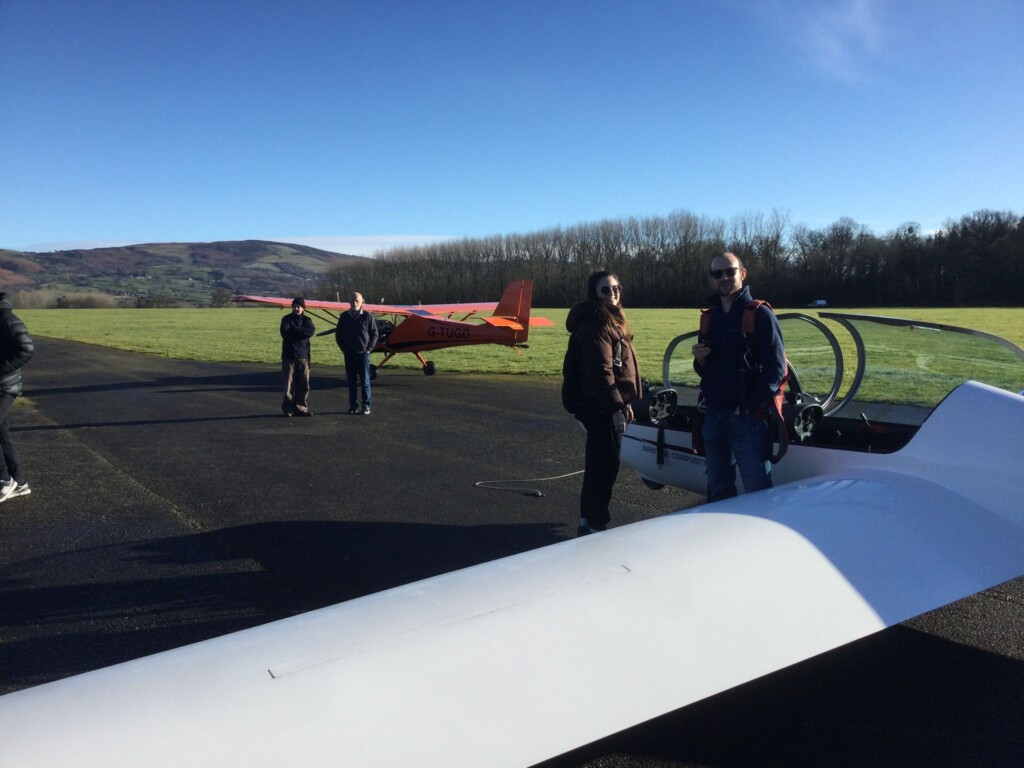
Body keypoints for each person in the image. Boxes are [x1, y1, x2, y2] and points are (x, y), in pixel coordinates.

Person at [691, 252, 787, 501]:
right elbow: (705, 370)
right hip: (713, 415)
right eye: (717, 273)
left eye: (729, 271)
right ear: (711, 279)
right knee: (717, 490)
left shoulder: (760, 314)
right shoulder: (709, 318)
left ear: (742, 274)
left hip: (747, 420)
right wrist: (700, 360)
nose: (723, 277)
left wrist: (748, 405)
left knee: (758, 491)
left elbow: (777, 370)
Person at [565, 270, 641, 535]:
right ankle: (596, 523)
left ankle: (589, 519)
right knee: (604, 467)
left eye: (616, 288)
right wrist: (616, 408)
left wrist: (625, 401)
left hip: (601, 404)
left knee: (600, 464)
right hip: (598, 407)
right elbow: (602, 374)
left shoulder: (609, 321)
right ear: (594, 294)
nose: (613, 294)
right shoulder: (597, 326)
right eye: (605, 290)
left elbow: (617, 370)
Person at [0, 292, 35, 503]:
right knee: (2, 434)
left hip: (5, 386)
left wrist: (2, 369)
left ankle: (5, 480)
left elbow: (26, 348)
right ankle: (20, 482)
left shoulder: (6, 318)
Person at [335, 292, 379, 415]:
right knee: (351, 381)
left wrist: (369, 349)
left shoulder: (368, 316)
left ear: (361, 302)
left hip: (363, 354)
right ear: (349, 302)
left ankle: (366, 405)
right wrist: (344, 349)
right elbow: (339, 335)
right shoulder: (344, 316)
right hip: (349, 354)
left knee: (365, 381)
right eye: (352, 300)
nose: (354, 303)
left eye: (357, 300)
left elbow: (375, 334)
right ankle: (353, 405)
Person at [280, 297, 315, 417]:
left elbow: (310, 331)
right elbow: (285, 333)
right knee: (289, 384)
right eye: (295, 306)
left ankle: (301, 408)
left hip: (303, 355)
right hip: (289, 355)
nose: (297, 308)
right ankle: (288, 409)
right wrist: (300, 333)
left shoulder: (307, 320)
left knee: (304, 384)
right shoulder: (286, 319)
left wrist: (294, 332)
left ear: (303, 308)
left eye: (299, 307)